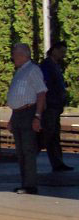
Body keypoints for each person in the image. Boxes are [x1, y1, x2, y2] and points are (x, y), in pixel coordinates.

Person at [6, 43, 47, 194]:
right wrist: (12, 117)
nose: (13, 58)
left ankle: (30, 185)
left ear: (23, 55)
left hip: (29, 113)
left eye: (15, 55)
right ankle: (24, 182)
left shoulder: (33, 70)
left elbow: (41, 93)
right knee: (21, 151)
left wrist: (37, 116)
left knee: (28, 150)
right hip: (18, 114)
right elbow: (17, 96)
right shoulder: (20, 71)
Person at [40, 41, 73, 172]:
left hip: (55, 105)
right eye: (61, 52)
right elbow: (46, 85)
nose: (63, 55)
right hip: (50, 106)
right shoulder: (47, 65)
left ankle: (58, 162)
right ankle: (55, 161)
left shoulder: (55, 65)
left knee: (54, 134)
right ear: (54, 50)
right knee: (48, 134)